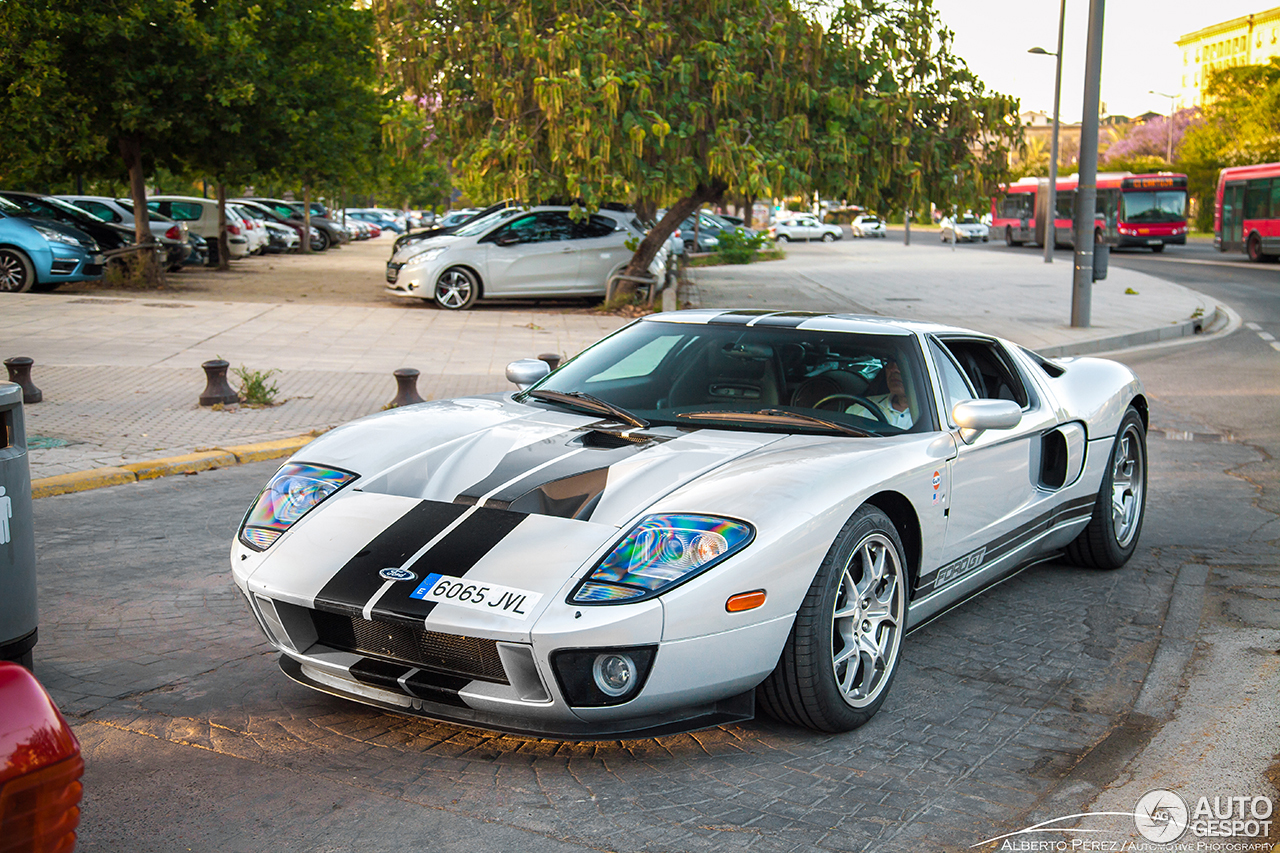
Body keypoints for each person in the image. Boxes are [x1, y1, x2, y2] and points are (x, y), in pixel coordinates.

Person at [847, 359, 914, 428]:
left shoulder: (925, 417)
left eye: (902, 364)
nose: (893, 370)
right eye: (889, 364)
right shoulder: (863, 407)